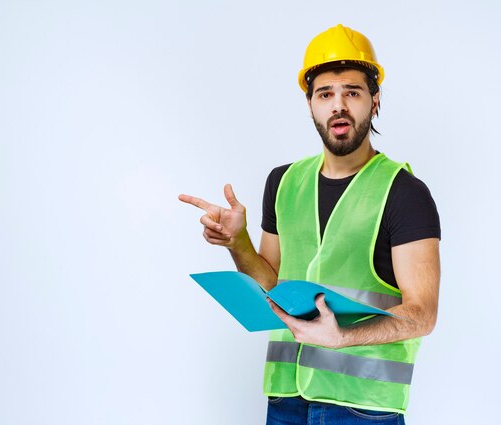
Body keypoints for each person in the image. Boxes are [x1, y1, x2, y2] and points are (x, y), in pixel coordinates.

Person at [179, 24, 441, 425]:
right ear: (310, 104)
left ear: (375, 101)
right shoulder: (283, 182)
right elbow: (271, 285)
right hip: (285, 401)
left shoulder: (404, 192)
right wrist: (238, 242)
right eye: (325, 94)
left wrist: (343, 338)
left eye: (352, 92)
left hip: (364, 409)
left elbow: (422, 315)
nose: (339, 105)